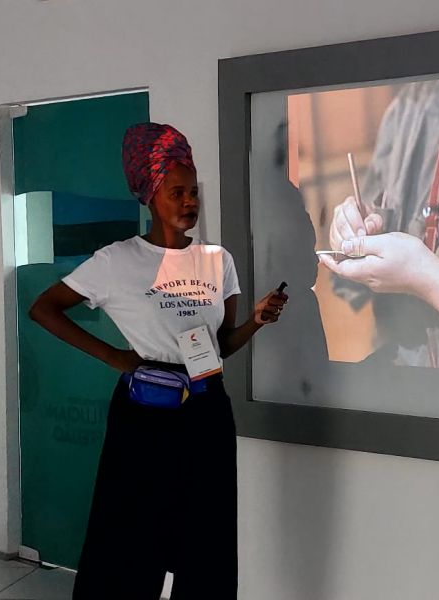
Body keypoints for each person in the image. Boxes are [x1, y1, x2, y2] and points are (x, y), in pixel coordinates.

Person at [29, 122, 287, 600]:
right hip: (145, 411)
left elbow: (220, 346)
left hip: (207, 407)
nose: (190, 202)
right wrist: (113, 356)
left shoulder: (218, 260)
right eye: (177, 193)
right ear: (150, 196)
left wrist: (256, 321)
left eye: (194, 192)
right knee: (129, 537)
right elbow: (43, 308)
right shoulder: (117, 260)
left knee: (207, 537)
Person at [318, 76, 439, 369]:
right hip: (400, 376)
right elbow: (371, 222)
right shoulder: (412, 104)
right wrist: (353, 231)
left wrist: (423, 275)